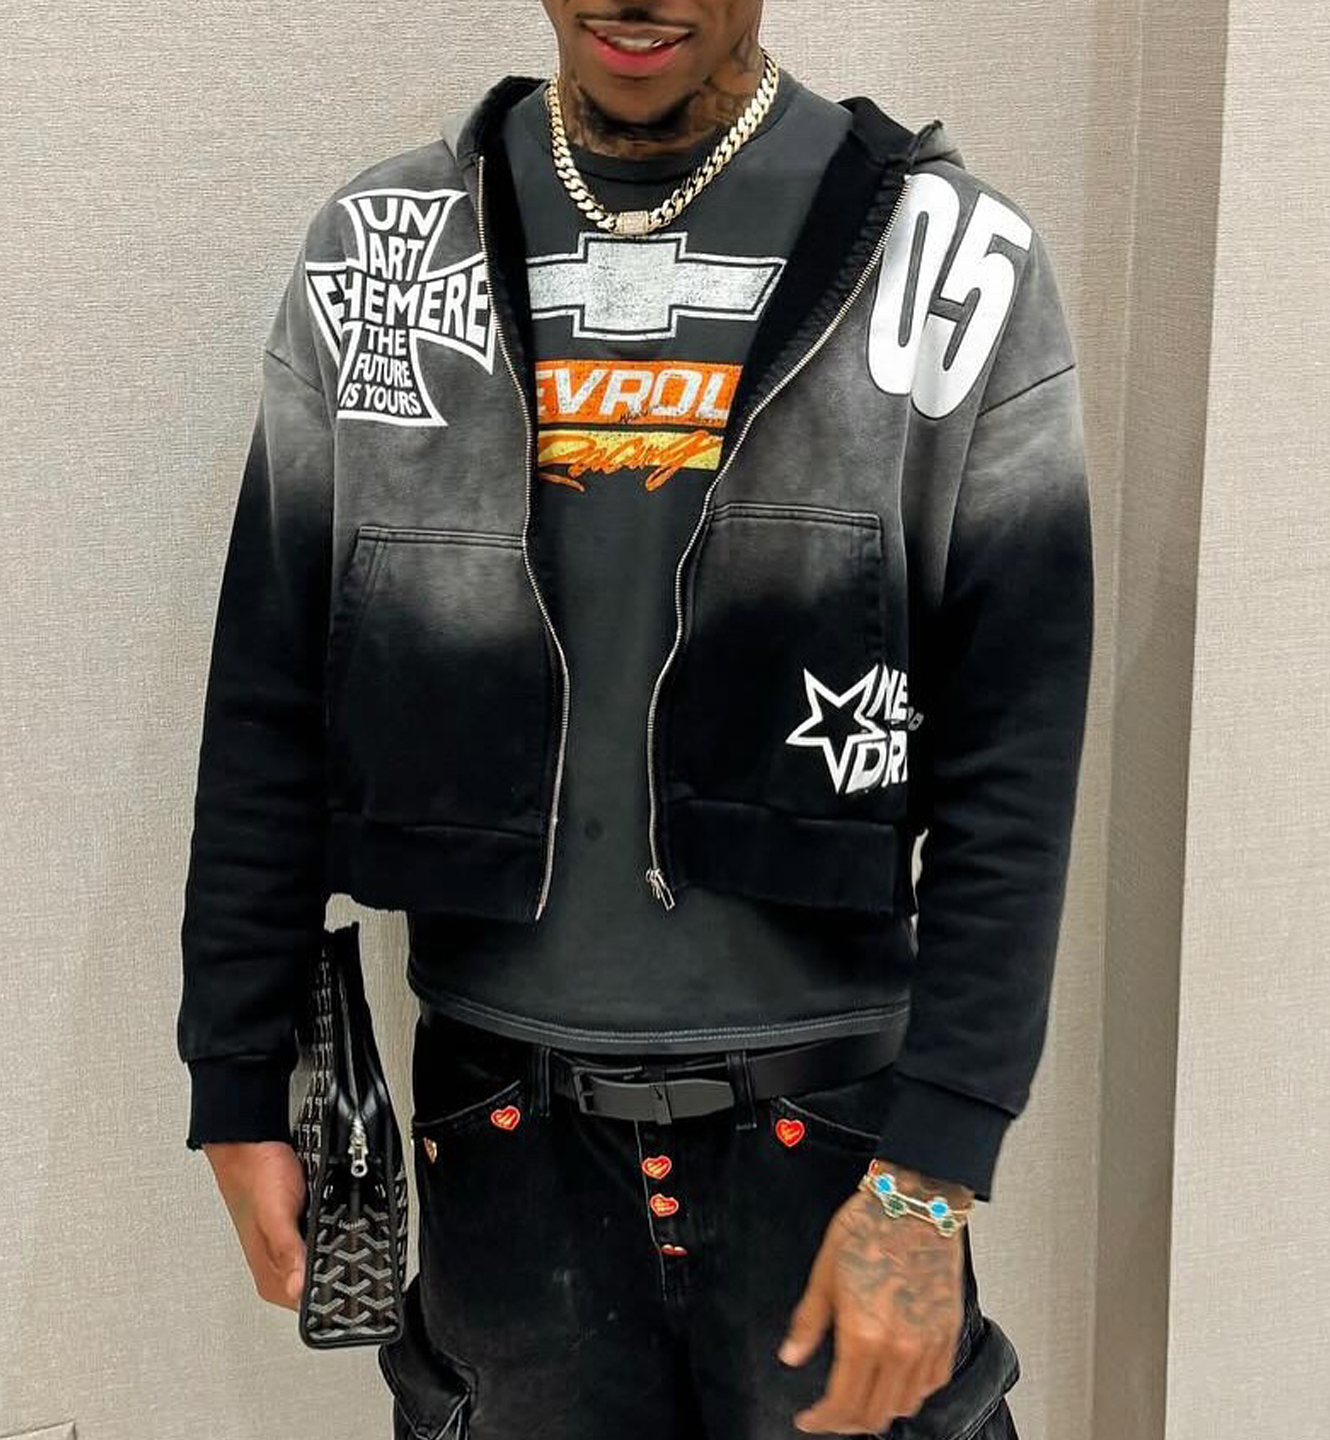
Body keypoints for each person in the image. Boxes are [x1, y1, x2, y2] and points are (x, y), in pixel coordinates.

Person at [175, 3, 1094, 1437]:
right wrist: (240, 1074)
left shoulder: (951, 260)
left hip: (836, 1136)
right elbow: (272, 685)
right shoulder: (381, 253)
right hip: (499, 1144)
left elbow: (1013, 759)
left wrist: (935, 1169)